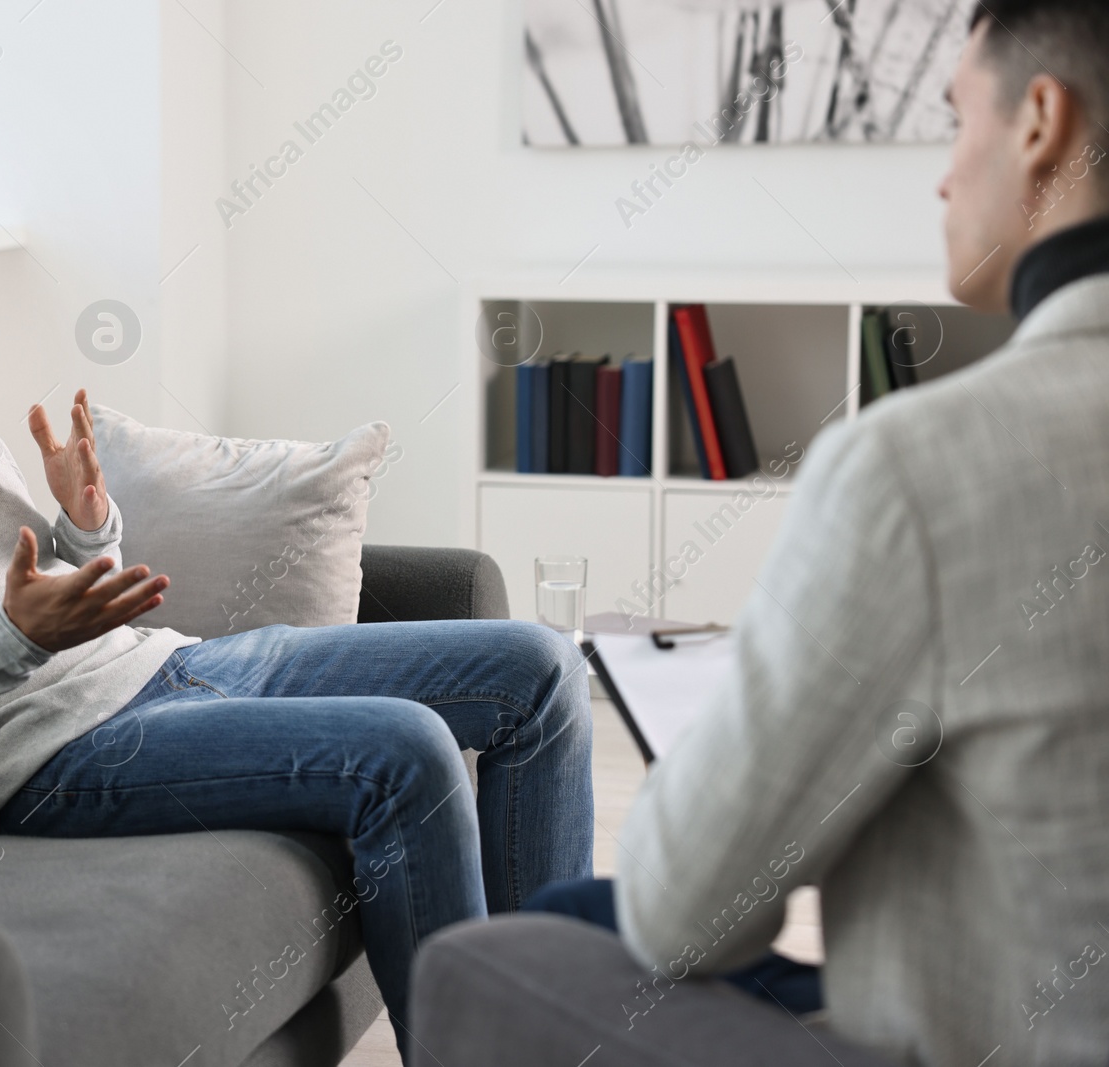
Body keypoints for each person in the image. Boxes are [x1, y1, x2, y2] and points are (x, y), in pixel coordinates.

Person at [0, 130, 593, 1063]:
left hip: (161, 665)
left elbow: (29, 591)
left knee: (536, 668)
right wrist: (14, 637)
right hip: (49, 756)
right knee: (404, 750)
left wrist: (86, 525)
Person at [424, 0, 1109, 1063]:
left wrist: (754, 699)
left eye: (954, 116)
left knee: (505, 943)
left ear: (1039, 123)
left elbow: (686, 905)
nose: (939, 173)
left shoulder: (917, 467)